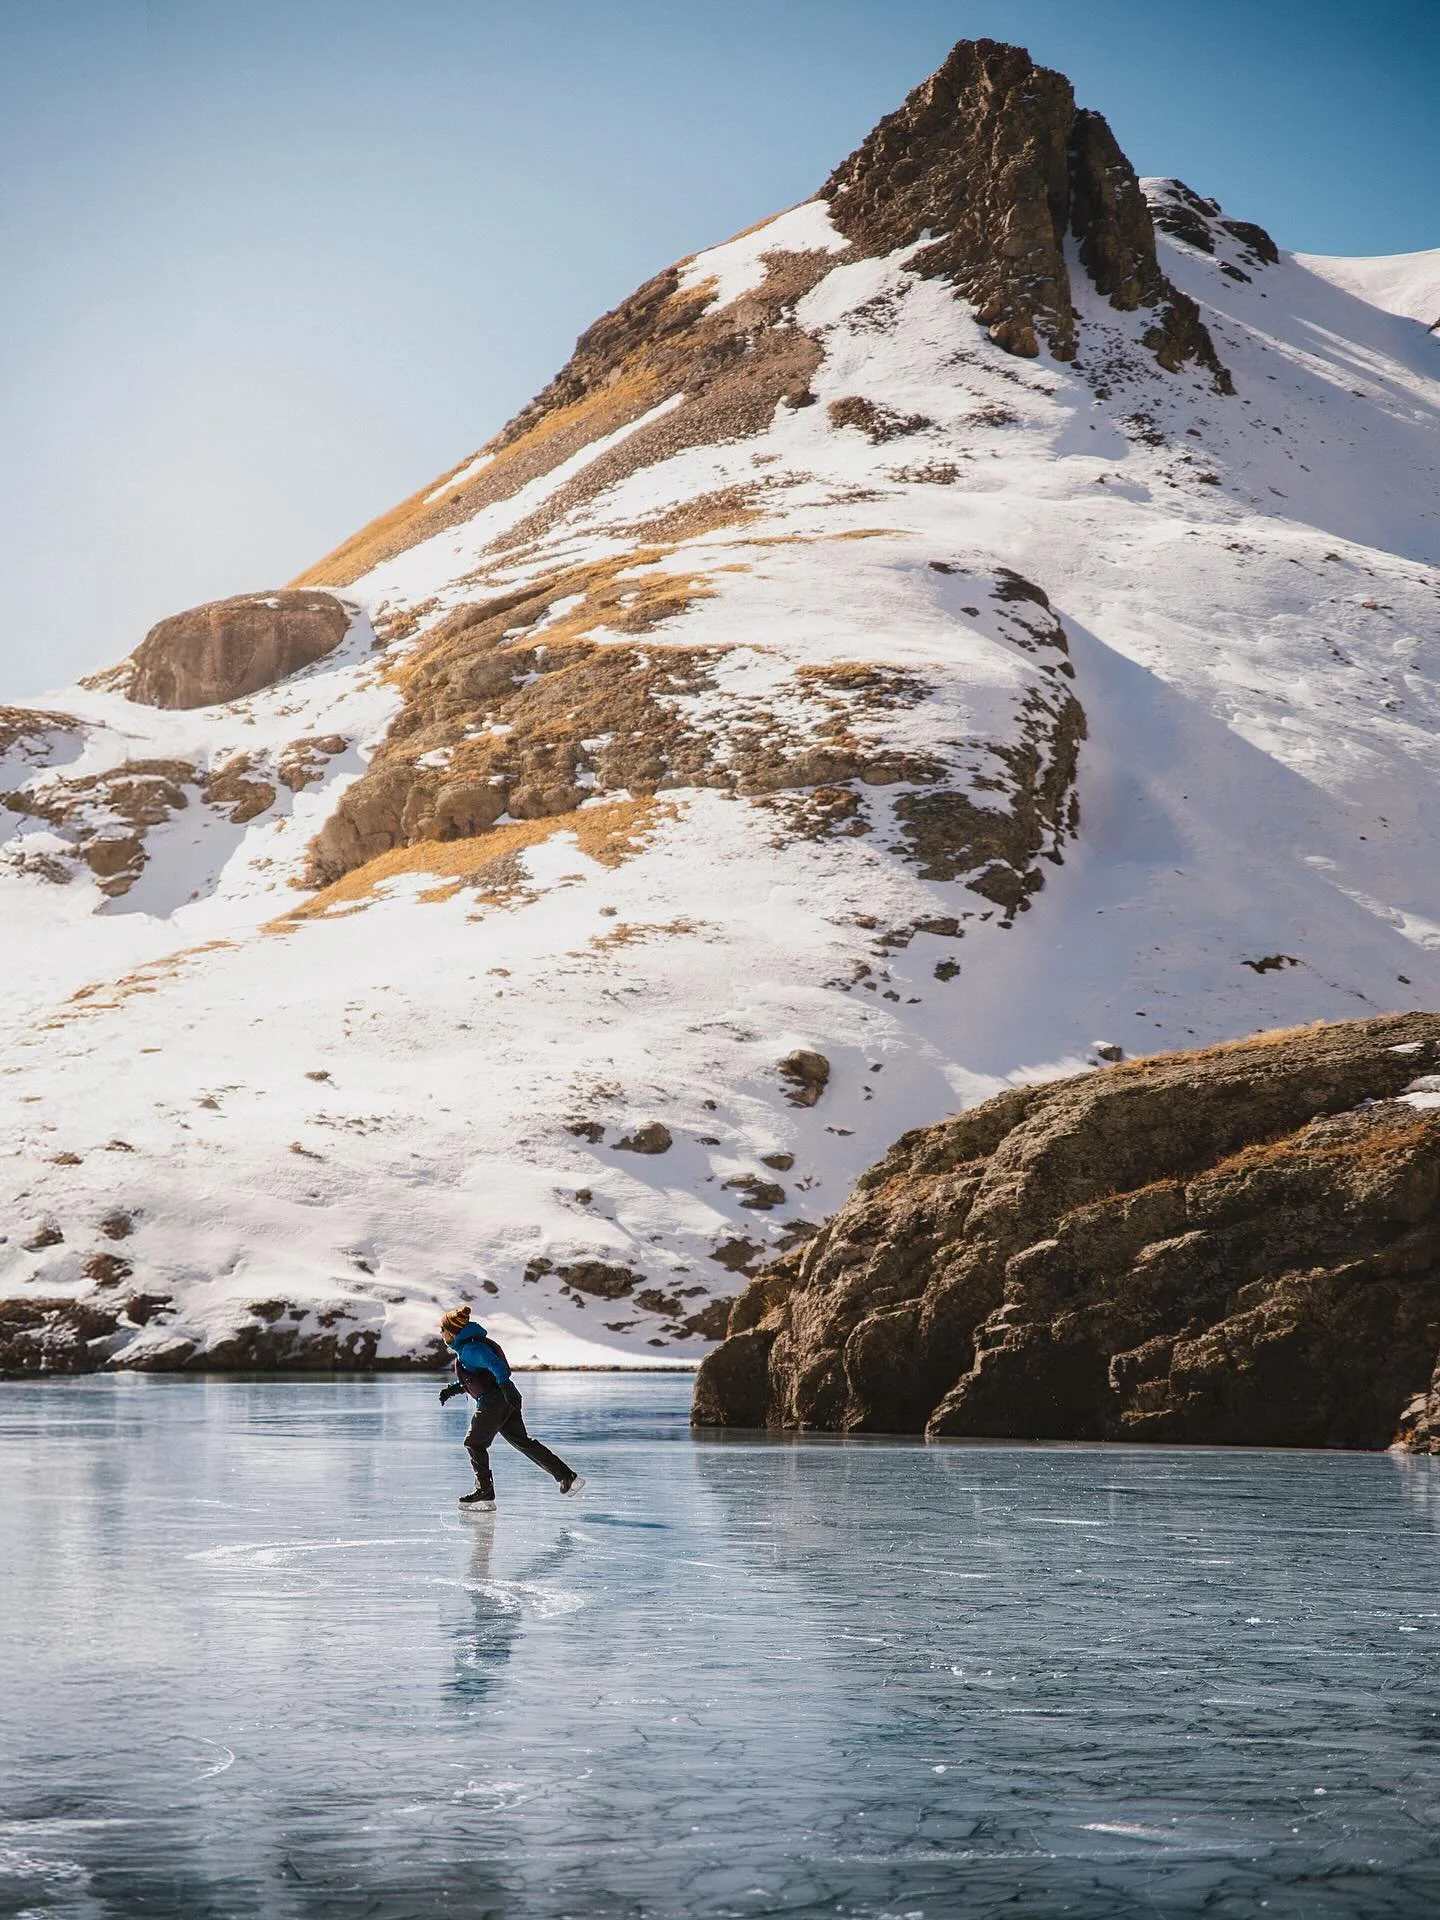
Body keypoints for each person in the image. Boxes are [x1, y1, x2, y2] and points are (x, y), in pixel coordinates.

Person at [438, 1305, 585, 1509]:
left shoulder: (471, 1349)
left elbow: (496, 1366)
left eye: (443, 1329)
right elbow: (478, 1378)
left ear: (453, 1331)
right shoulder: (470, 1347)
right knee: (523, 1442)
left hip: (494, 1402)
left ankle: (485, 1492)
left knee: (474, 1443)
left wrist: (505, 1387)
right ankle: (567, 1477)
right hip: (505, 1400)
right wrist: (452, 1390)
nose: (441, 1333)